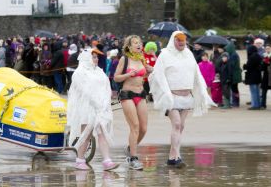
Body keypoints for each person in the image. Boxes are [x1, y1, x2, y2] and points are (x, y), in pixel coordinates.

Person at [149, 31, 215, 168]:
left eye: (183, 40)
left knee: (181, 126)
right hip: (171, 97)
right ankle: (176, 156)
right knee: (177, 124)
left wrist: (201, 91)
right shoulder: (165, 55)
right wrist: (164, 93)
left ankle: (172, 157)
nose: (181, 43)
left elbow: (197, 74)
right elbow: (158, 75)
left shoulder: (188, 54)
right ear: (173, 40)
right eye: (178, 40)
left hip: (186, 97)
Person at [67, 49, 119, 171]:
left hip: (101, 108)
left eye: (96, 57)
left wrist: (105, 102)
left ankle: (107, 160)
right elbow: (83, 91)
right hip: (86, 108)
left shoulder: (99, 72)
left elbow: (107, 87)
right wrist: (96, 103)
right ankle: (80, 160)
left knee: (102, 132)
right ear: (86, 58)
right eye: (93, 57)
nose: (96, 59)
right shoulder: (79, 73)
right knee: (86, 134)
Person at [114, 35, 153, 170]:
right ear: (129, 46)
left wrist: (149, 72)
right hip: (127, 95)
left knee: (143, 128)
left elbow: (144, 76)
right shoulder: (124, 59)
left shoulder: (141, 59)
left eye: (140, 43)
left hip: (141, 94)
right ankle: (133, 158)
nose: (138, 45)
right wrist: (128, 75)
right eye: (135, 43)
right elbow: (116, 78)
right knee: (135, 126)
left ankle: (131, 148)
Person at [243, 45, 262, 110]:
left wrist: (244, 66)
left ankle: (255, 105)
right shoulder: (259, 56)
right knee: (257, 91)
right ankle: (258, 104)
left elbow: (248, 66)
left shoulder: (251, 57)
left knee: (253, 91)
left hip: (252, 76)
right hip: (258, 76)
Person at [261, 44, 271, 109]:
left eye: (268, 48)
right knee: (264, 91)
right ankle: (263, 105)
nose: (267, 49)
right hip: (266, 75)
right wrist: (265, 62)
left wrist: (268, 61)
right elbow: (262, 67)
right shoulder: (263, 56)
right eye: (266, 48)